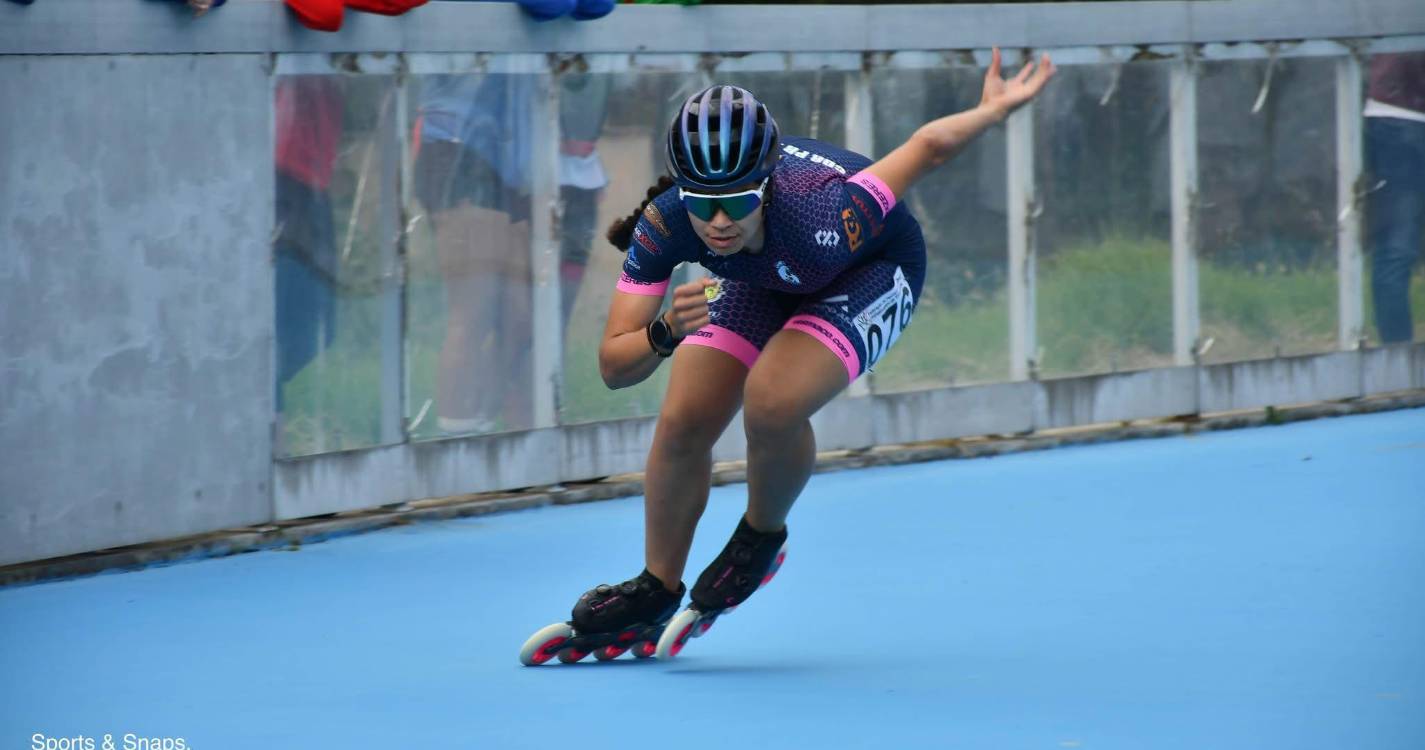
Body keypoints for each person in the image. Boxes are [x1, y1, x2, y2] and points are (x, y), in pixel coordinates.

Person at [523, 48, 1056, 664]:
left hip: (864, 270)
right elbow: (615, 366)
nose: (718, 222)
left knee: (771, 403)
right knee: (681, 422)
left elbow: (926, 147)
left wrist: (992, 110)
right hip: (764, 276)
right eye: (702, 202)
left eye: (737, 200)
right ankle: (656, 586)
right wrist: (665, 331)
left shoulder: (824, 216)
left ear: (768, 187)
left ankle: (759, 536)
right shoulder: (665, 223)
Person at [1364, 52, 1425, 344]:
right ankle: (1397, 364)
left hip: (1397, 111)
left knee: (1396, 248)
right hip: (1402, 114)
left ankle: (1397, 363)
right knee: (1397, 248)